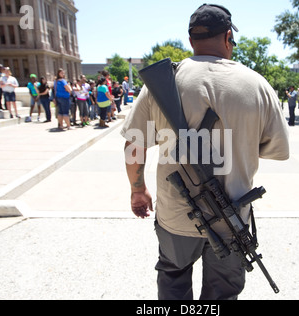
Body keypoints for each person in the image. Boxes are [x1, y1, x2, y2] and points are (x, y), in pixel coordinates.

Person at [121, 4, 289, 300]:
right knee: (222, 296)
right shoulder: (257, 85)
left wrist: (138, 190)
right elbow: (276, 150)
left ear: (191, 41)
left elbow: (134, 145)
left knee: (173, 287)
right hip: (232, 217)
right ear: (228, 38)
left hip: (175, 214)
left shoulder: (162, 84)